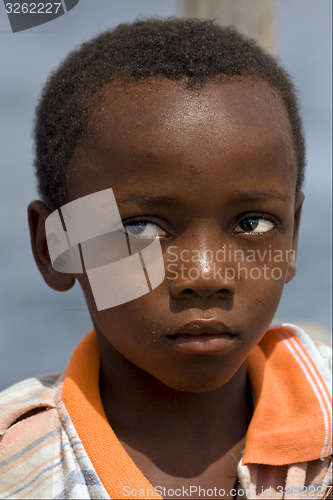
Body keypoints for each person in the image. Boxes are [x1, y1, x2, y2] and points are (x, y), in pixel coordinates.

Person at [0, 18, 331, 500]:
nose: (205, 276)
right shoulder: (15, 465)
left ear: (293, 235)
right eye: (140, 228)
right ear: (56, 247)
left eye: (253, 223)